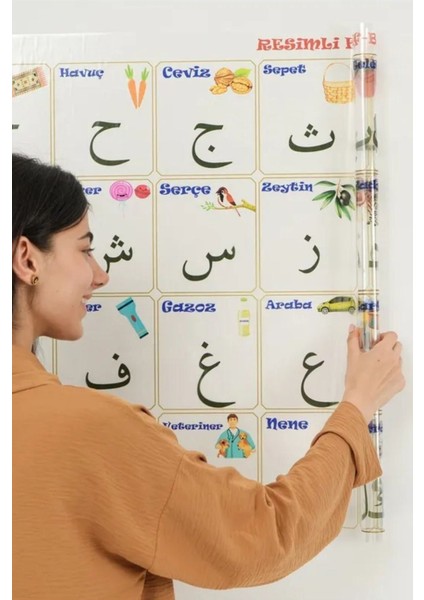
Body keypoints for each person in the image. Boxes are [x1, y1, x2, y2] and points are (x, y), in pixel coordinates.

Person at [12, 153, 405, 600]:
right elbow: (263, 535)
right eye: (84, 249)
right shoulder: (91, 431)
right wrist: (356, 406)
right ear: (28, 259)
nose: (100, 275)